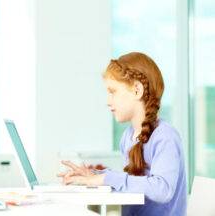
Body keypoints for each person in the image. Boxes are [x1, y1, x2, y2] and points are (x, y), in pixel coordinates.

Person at [56, 52, 187, 216]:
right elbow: (133, 183)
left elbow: (162, 189)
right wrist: (96, 175)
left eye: (113, 92)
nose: (108, 101)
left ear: (137, 90)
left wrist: (106, 179)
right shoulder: (128, 136)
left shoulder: (165, 136)